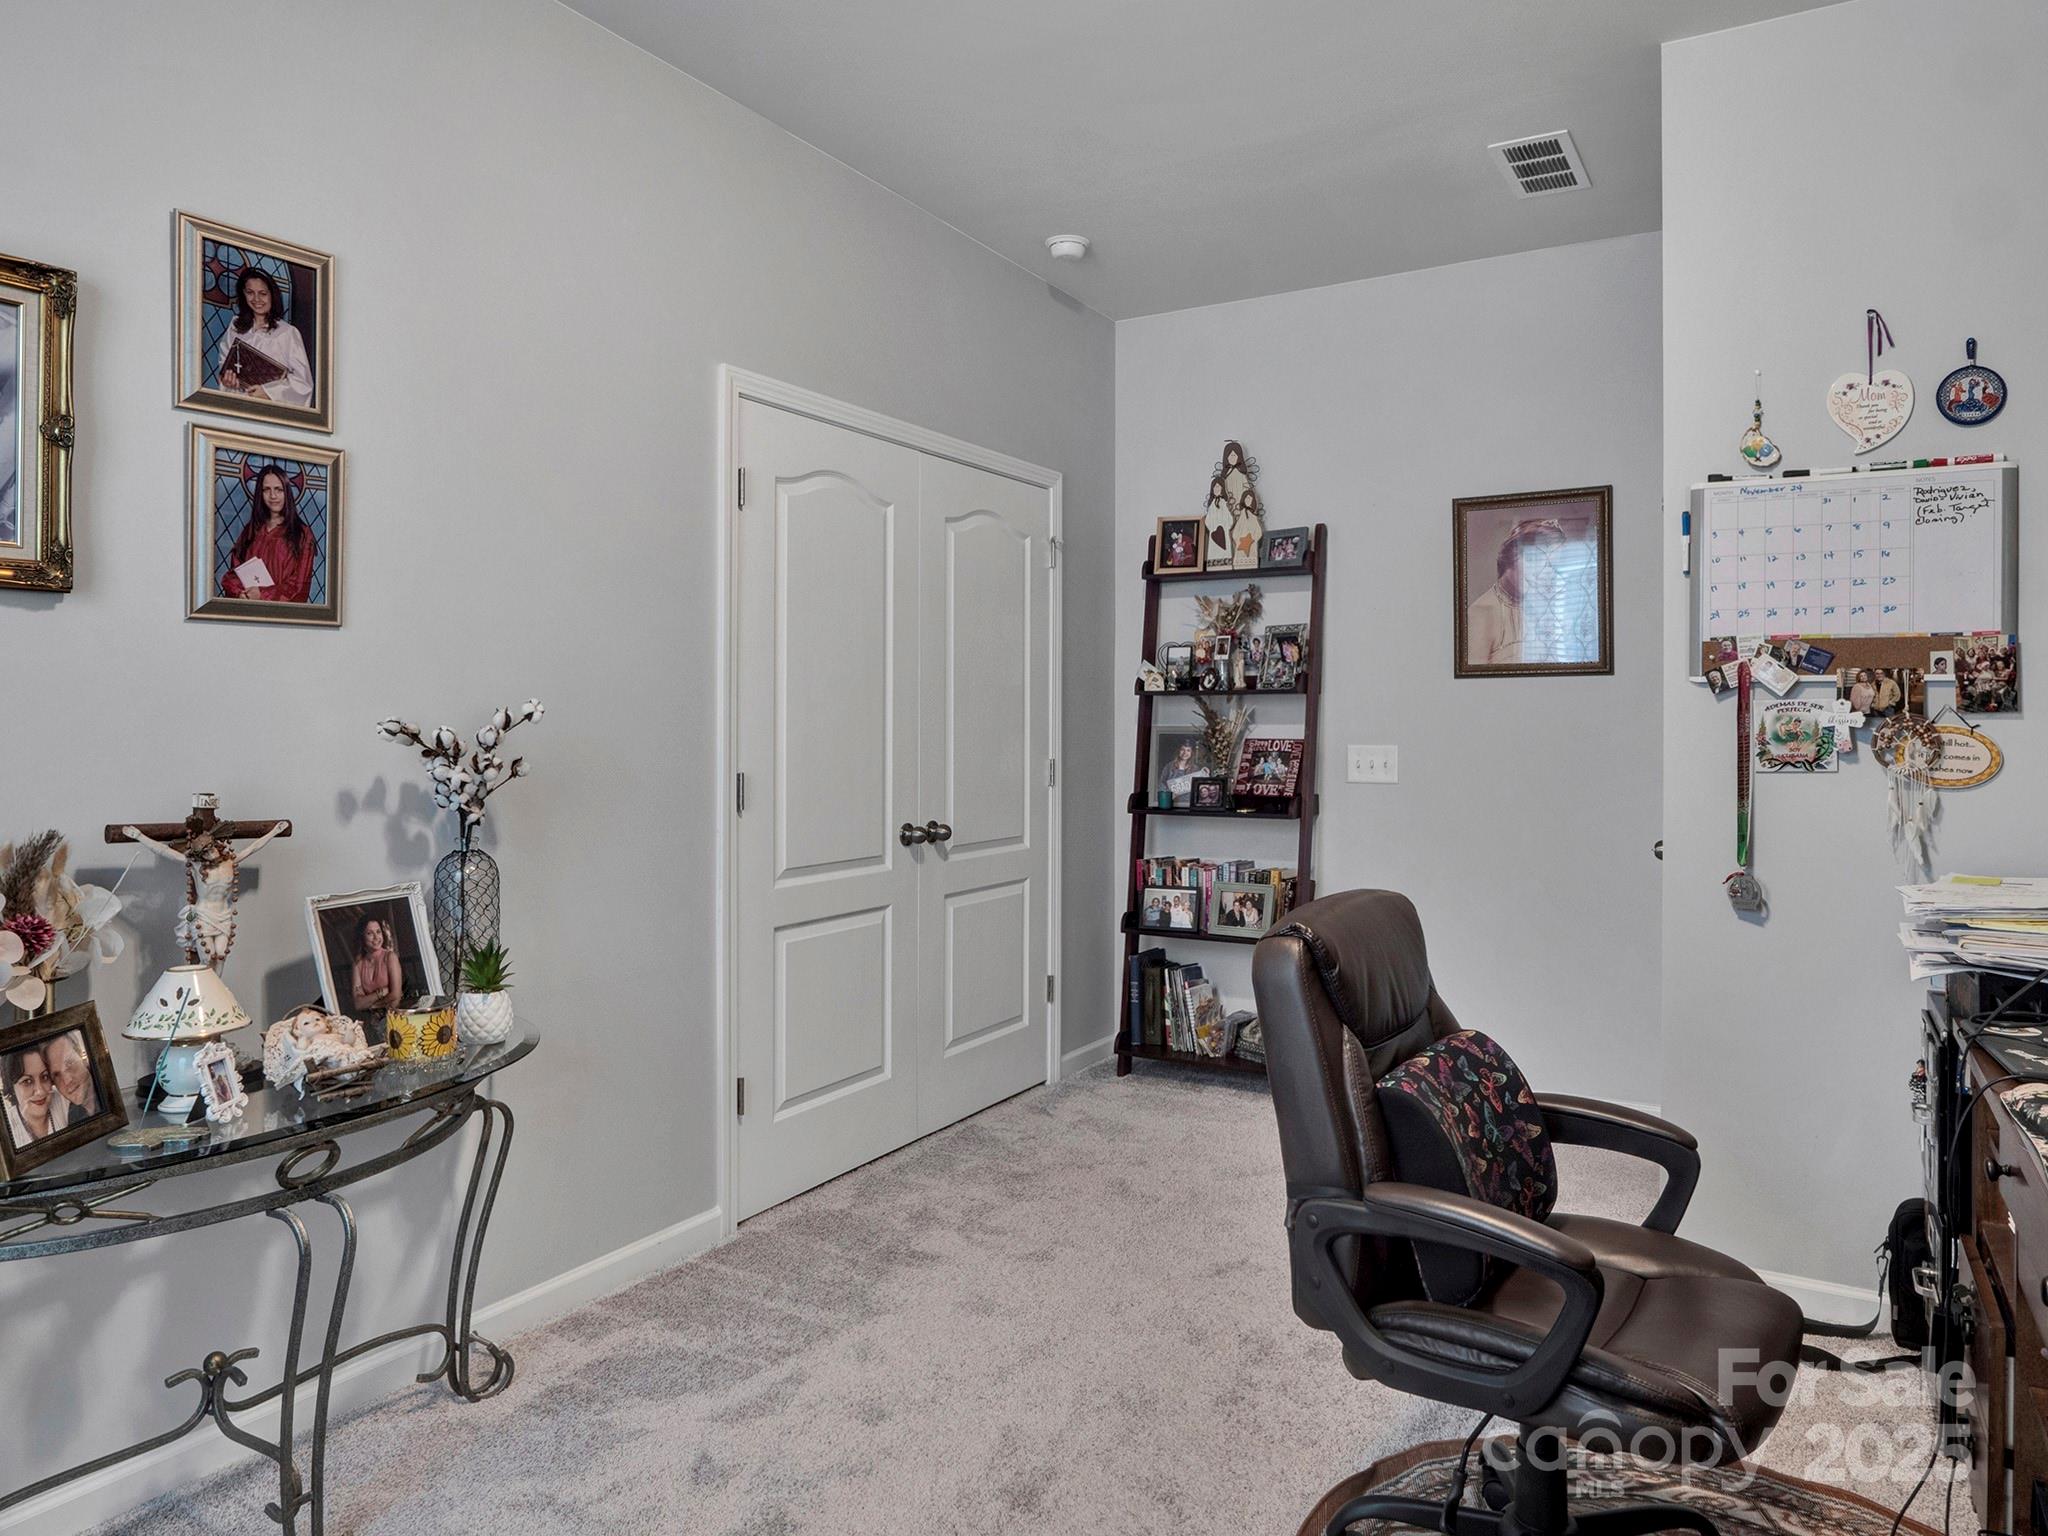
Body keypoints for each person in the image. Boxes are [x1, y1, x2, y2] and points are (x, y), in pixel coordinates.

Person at [1466, 518, 1568, 666]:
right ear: (1511, 557)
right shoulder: (1481, 614)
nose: (1543, 574)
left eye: (1552, 566)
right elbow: (1469, 686)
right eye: (1534, 559)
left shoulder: (1543, 609)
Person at [215, 267, 314, 408]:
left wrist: (268, 392)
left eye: (263, 293)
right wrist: (228, 382)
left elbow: (303, 383)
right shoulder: (235, 327)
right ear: (243, 294)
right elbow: (225, 366)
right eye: (250, 293)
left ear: (272, 295)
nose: (256, 299)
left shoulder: (288, 333)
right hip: (239, 406)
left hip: (272, 410)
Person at [220, 464, 316, 603]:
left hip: (282, 617)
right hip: (248, 611)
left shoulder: (302, 534)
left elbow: (299, 587)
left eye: (278, 489)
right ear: (260, 493)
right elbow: (233, 574)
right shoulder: (251, 531)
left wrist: (262, 595)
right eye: (266, 490)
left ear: (286, 492)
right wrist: (240, 593)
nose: (273, 496)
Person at [349, 915, 406, 1013]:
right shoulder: (358, 963)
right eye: (369, 933)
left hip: (394, 1015)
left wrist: (374, 1005)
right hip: (372, 1019)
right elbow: (358, 1004)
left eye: (378, 932)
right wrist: (381, 993)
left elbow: (396, 995)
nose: (376, 937)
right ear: (362, 936)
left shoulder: (390, 957)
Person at [6, 1045, 60, 1146]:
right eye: (27, 1081)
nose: (40, 1091)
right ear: (12, 1088)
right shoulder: (6, 1129)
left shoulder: (65, 1100)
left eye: (44, 1076)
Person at [45, 1030, 100, 1123]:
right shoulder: (73, 1115)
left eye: (70, 1063)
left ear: (83, 1058)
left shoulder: (109, 1093)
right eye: (57, 1075)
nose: (67, 1081)